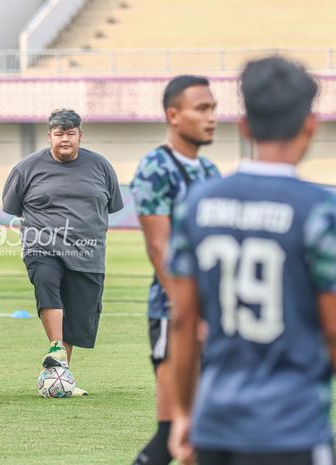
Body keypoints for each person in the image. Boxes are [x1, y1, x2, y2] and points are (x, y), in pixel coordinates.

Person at [164, 56, 336, 465]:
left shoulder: (198, 205)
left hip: (216, 426)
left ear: (245, 127)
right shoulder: (321, 210)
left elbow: (182, 319)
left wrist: (183, 413)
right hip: (293, 429)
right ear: (310, 125)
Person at [129, 75, 220, 465]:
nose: (212, 117)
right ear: (173, 115)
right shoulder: (155, 167)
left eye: (214, 108)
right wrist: (189, 311)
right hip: (174, 314)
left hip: (210, 312)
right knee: (172, 430)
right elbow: (158, 246)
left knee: (205, 428)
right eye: (202, 109)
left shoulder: (211, 172)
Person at [1, 108, 123, 396]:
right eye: (59, 134)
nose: (65, 139)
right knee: (47, 284)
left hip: (88, 251)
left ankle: (59, 376)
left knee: (77, 318)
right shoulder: (26, 168)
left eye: (70, 133)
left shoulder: (101, 166)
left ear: (80, 135)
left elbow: (112, 205)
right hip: (42, 245)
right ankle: (56, 349)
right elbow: (12, 208)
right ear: (49, 136)